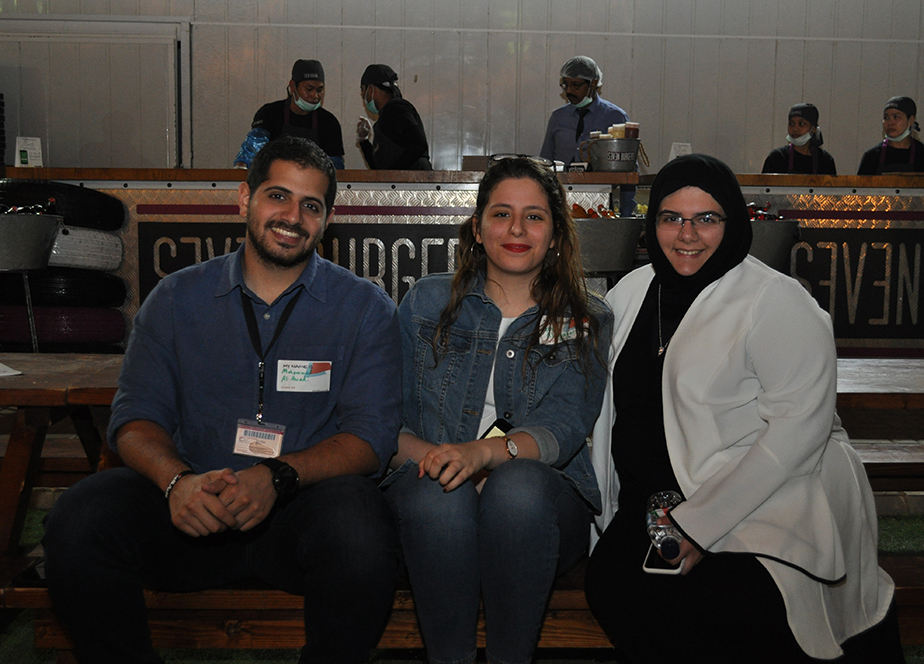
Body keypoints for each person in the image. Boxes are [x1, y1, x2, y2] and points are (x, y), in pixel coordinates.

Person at [43, 137, 403, 664]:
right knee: (78, 518)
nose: (292, 217)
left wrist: (276, 476)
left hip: (300, 514)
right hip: (189, 510)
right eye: (278, 196)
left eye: (311, 205)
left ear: (327, 220)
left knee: (361, 527)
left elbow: (371, 439)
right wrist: (176, 482)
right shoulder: (176, 298)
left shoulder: (365, 308)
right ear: (243, 199)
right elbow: (135, 420)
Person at [584, 154, 904, 663]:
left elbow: (798, 430)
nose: (687, 235)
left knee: (731, 603)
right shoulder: (632, 292)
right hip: (651, 502)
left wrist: (699, 524)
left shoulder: (776, 301)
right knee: (611, 584)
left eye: (706, 218)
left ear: (732, 222)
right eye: (671, 217)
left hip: (761, 499)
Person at [384, 156, 612, 664]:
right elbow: (382, 419)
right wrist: (448, 462)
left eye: (534, 216)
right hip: (427, 487)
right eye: (501, 213)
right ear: (477, 228)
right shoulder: (425, 302)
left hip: (540, 501)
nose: (516, 229)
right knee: (439, 491)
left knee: (516, 488)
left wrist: (483, 456)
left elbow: (565, 426)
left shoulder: (587, 316)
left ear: (556, 234)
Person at [234, 59, 346, 169]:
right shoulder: (270, 113)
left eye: (319, 90)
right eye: (309, 89)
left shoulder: (329, 122)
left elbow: (335, 166)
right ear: (292, 87)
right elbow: (255, 143)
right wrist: (242, 165)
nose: (315, 95)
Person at [539, 56, 628, 166]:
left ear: (593, 84)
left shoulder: (615, 117)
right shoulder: (558, 117)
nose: (569, 90)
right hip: (562, 177)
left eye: (575, 85)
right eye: (566, 84)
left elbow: (627, 165)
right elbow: (545, 161)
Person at [355, 64, 432, 170]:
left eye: (363, 90)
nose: (363, 95)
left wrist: (394, 173)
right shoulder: (385, 117)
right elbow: (378, 169)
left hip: (412, 179)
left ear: (371, 89)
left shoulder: (395, 108)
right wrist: (363, 140)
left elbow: (418, 143)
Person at [857, 96, 924, 175]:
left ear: (911, 120)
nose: (890, 122)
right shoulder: (872, 156)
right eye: (886, 118)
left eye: (896, 117)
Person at [761, 102, 837, 175]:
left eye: (802, 124)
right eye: (791, 124)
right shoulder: (777, 158)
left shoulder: (825, 160)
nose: (795, 129)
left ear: (814, 128)